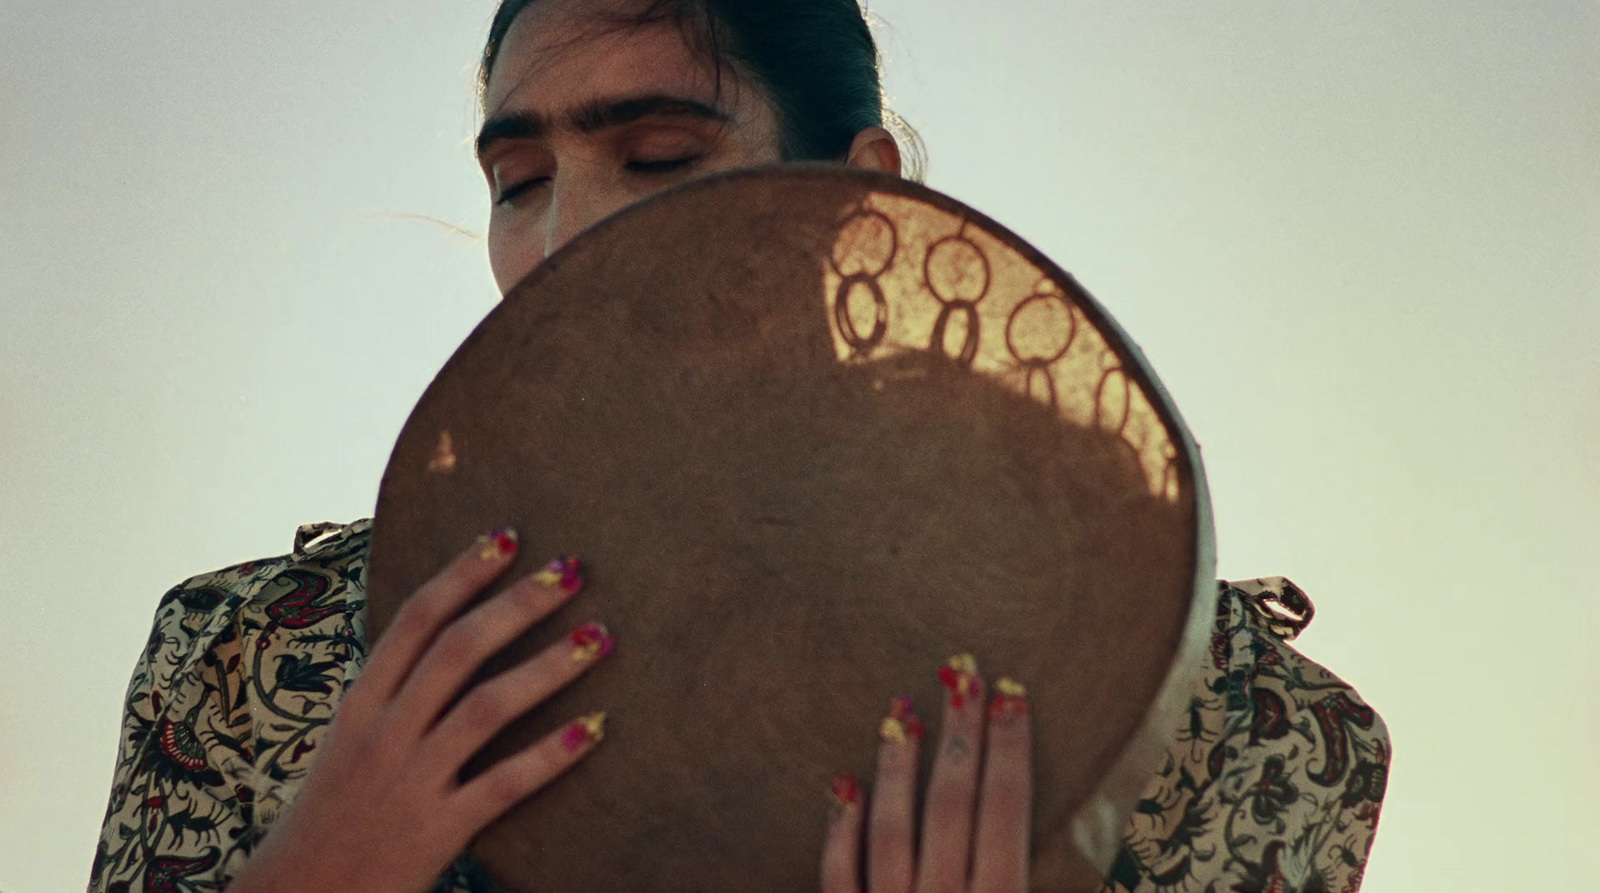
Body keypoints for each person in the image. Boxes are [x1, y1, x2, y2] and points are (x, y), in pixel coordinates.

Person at [88, 2, 1389, 892]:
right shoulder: (258, 663)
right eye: (518, 182)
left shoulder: (1197, 701)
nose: (558, 244)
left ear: (852, 198)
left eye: (656, 155)